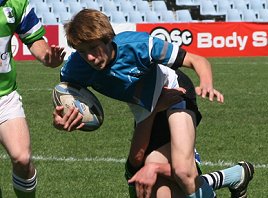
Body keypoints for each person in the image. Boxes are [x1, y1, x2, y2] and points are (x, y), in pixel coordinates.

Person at [53, 9, 224, 198]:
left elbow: (196, 59)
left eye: (93, 48)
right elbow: (67, 97)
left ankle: (188, 160)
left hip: (173, 93)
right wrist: (62, 119)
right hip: (144, 106)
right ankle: (231, 176)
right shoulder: (75, 67)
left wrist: (206, 84)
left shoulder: (139, 45)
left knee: (184, 172)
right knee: (151, 185)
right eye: (82, 52)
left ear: (108, 38)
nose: (90, 58)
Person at [125, 70, 254, 198]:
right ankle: (235, 175)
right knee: (163, 180)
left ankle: (235, 175)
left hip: (175, 99)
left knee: (177, 176)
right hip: (159, 147)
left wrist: (154, 167)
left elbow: (184, 172)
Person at [0, 0, 65, 197]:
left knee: (22, 158)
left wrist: (48, 57)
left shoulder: (15, 3)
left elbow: (34, 40)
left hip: (4, 97)